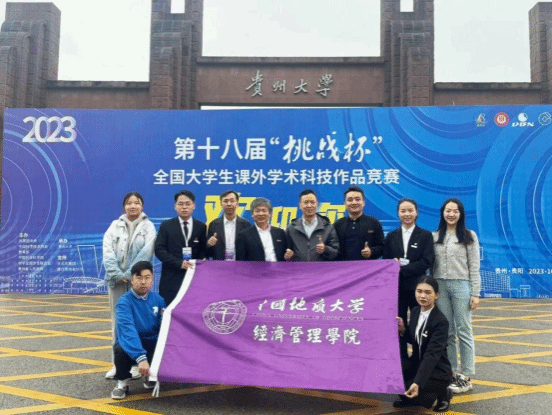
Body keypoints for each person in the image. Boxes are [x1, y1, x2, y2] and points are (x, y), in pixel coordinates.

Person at [103, 191, 156, 380]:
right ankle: (117, 365)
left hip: (137, 281)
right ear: (124, 206)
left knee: (139, 322)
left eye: (137, 202)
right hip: (116, 281)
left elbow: (146, 252)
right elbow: (107, 251)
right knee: (118, 321)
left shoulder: (148, 226)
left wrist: (131, 275)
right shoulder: (114, 225)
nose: (133, 206)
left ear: (142, 206)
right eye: (129, 203)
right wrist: (117, 274)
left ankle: (135, 363)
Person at [432, 198, 481, 394]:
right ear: (442, 213)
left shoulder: (469, 235)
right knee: (448, 331)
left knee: (464, 330)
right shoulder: (435, 236)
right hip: (440, 286)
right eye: (448, 210)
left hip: (462, 285)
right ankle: (451, 372)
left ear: (461, 214)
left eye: (455, 211)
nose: (451, 214)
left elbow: (474, 266)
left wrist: (475, 293)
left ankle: (466, 375)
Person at [383, 198, 434, 358]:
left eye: (410, 210)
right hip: (396, 287)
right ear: (398, 213)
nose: (407, 214)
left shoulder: (425, 235)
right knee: (398, 323)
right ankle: (401, 361)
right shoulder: (391, 236)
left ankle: (419, 359)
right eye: (403, 211)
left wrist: (402, 269)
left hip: (418, 288)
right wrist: (393, 265)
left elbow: (427, 261)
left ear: (416, 212)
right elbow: (386, 261)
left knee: (419, 323)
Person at [395, 276, 453, 412]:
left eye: (428, 292)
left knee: (421, 398)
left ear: (436, 295)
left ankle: (443, 393)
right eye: (419, 291)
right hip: (417, 363)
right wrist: (403, 329)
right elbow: (414, 339)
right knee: (394, 380)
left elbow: (432, 355)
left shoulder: (440, 321)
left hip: (436, 369)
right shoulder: (415, 311)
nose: (422, 296)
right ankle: (416, 395)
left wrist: (417, 382)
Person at [110, 261, 166, 400]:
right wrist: (141, 357)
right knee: (120, 348)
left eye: (147, 277)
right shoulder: (124, 302)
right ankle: (122, 383)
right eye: (139, 278)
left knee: (163, 345)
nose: (143, 282)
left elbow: (163, 327)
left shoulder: (158, 300)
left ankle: (150, 376)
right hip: (132, 341)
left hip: (151, 341)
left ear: (152, 279)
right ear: (132, 279)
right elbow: (128, 330)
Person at [155, 190, 207, 306]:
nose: (184, 207)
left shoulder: (201, 227)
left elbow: (203, 251)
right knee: (169, 311)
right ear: (175, 206)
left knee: (191, 310)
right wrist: (179, 263)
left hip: (193, 280)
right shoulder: (166, 226)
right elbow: (159, 250)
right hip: (171, 279)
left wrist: (202, 259)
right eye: (181, 204)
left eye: (188, 204)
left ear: (194, 206)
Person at [284, 189, 339, 261]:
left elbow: (336, 253)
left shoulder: (327, 227)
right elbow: (285, 252)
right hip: (299, 268)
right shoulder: (292, 228)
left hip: (321, 268)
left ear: (317, 204)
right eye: (306, 202)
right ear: (300, 205)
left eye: (312, 202)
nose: (309, 205)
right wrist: (288, 256)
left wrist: (325, 249)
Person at [333, 186, 384, 260]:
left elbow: (382, 247)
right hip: (343, 266)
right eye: (350, 200)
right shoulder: (338, 224)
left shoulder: (374, 223)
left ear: (363, 203)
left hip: (367, 266)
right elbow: (333, 248)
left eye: (357, 199)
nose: (354, 202)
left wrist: (371, 251)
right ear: (345, 203)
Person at [235, 197, 287, 261]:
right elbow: (240, 261)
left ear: (270, 213)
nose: (261, 214)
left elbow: (285, 256)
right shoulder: (244, 235)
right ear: (252, 214)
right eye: (257, 211)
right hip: (254, 267)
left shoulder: (280, 233)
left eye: (264, 211)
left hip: (277, 267)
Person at [206, 190, 252, 260]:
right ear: (221, 204)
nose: (229, 204)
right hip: (220, 264)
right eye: (225, 201)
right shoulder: (214, 224)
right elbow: (208, 252)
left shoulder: (246, 225)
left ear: (237, 204)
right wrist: (209, 244)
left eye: (232, 201)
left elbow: (250, 250)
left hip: (240, 264)